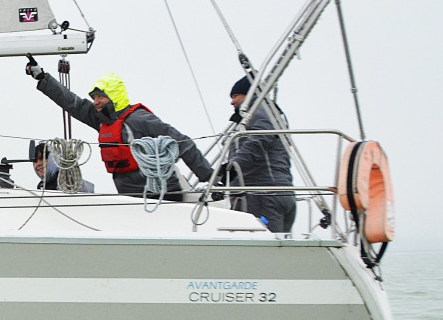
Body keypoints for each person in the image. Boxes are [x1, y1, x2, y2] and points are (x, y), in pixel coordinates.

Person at [24, 61, 212, 200]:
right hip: (130, 197)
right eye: (94, 98)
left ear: (114, 96)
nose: (96, 102)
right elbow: (73, 103)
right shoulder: (102, 121)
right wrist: (43, 79)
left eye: (100, 97)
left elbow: (183, 143)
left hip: (163, 195)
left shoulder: (140, 120)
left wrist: (209, 177)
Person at [224, 75, 296, 233]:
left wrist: (233, 167)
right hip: (278, 194)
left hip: (263, 197)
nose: (232, 102)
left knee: (263, 246)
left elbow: (259, 139)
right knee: (278, 245)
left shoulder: (259, 109)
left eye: (235, 96)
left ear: (248, 95)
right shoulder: (267, 112)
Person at [28, 140, 95, 193]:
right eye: (35, 161)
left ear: (54, 158)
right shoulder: (41, 187)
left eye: (43, 158)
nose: (38, 164)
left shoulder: (70, 182)